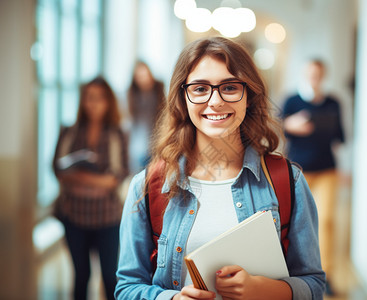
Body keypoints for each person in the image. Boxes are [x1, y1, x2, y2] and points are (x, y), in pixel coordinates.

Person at [115, 37, 325, 300]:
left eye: (229, 87)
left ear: (248, 95)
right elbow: (126, 287)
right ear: (183, 98)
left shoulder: (288, 181)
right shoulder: (148, 186)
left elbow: (314, 286)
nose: (215, 101)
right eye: (200, 89)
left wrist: (264, 290)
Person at [53, 76, 129, 300]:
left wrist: (79, 177)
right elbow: (58, 169)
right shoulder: (69, 131)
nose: (93, 103)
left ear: (109, 102)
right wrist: (97, 180)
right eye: (89, 97)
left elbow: (117, 176)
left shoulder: (117, 134)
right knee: (80, 275)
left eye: (99, 98)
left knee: (109, 275)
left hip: (107, 217)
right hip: (74, 215)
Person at [282, 59, 345, 295]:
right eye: (310, 74)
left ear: (323, 75)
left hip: (327, 169)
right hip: (298, 171)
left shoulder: (333, 103)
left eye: (318, 74)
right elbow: (276, 128)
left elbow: (339, 136)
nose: (314, 78)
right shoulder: (291, 100)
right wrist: (289, 125)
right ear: (304, 74)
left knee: (326, 221)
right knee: (296, 223)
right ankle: (294, 271)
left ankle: (325, 273)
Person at [127, 61, 166, 174]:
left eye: (144, 75)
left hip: (156, 140)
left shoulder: (159, 92)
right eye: (139, 76)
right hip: (138, 143)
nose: (143, 79)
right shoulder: (132, 95)